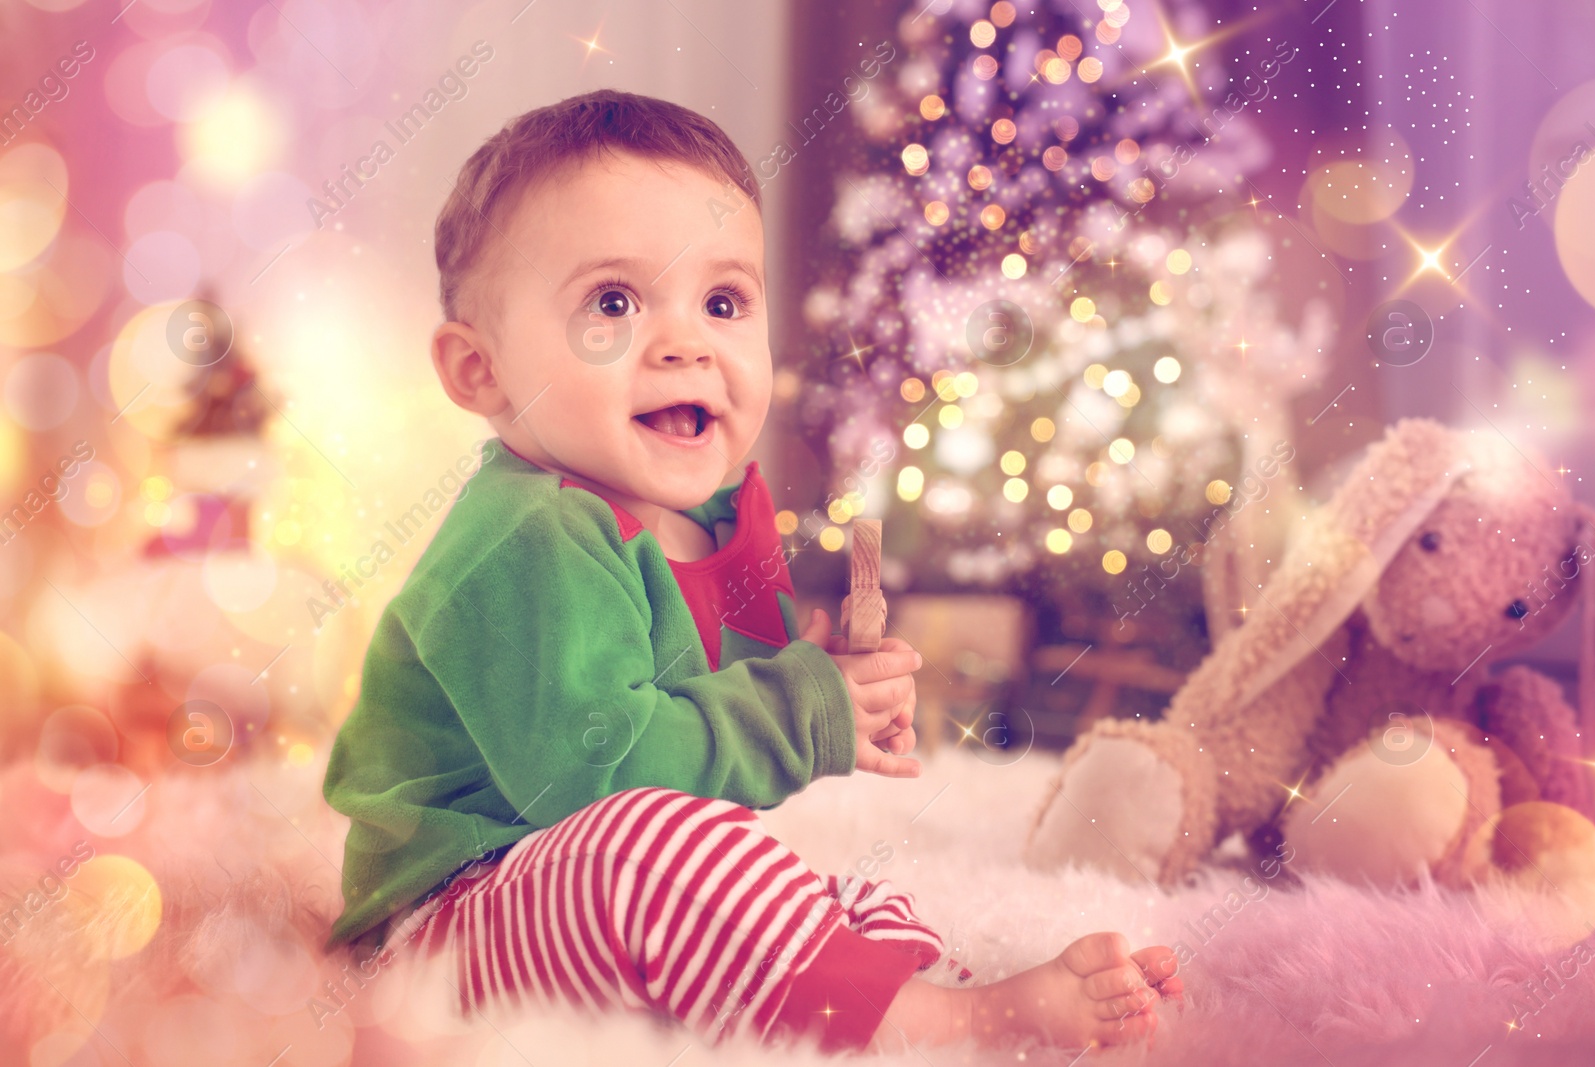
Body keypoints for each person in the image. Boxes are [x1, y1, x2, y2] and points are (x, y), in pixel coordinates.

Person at [322, 88, 1182, 1056]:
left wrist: (835, 688)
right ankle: (943, 1020)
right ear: (479, 370)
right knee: (654, 855)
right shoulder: (526, 532)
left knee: (831, 887)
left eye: (722, 300)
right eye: (613, 302)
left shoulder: (689, 516)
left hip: (564, 892)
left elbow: (719, 755)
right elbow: (594, 785)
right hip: (447, 928)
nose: (686, 340)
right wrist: (796, 707)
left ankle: (879, 983)